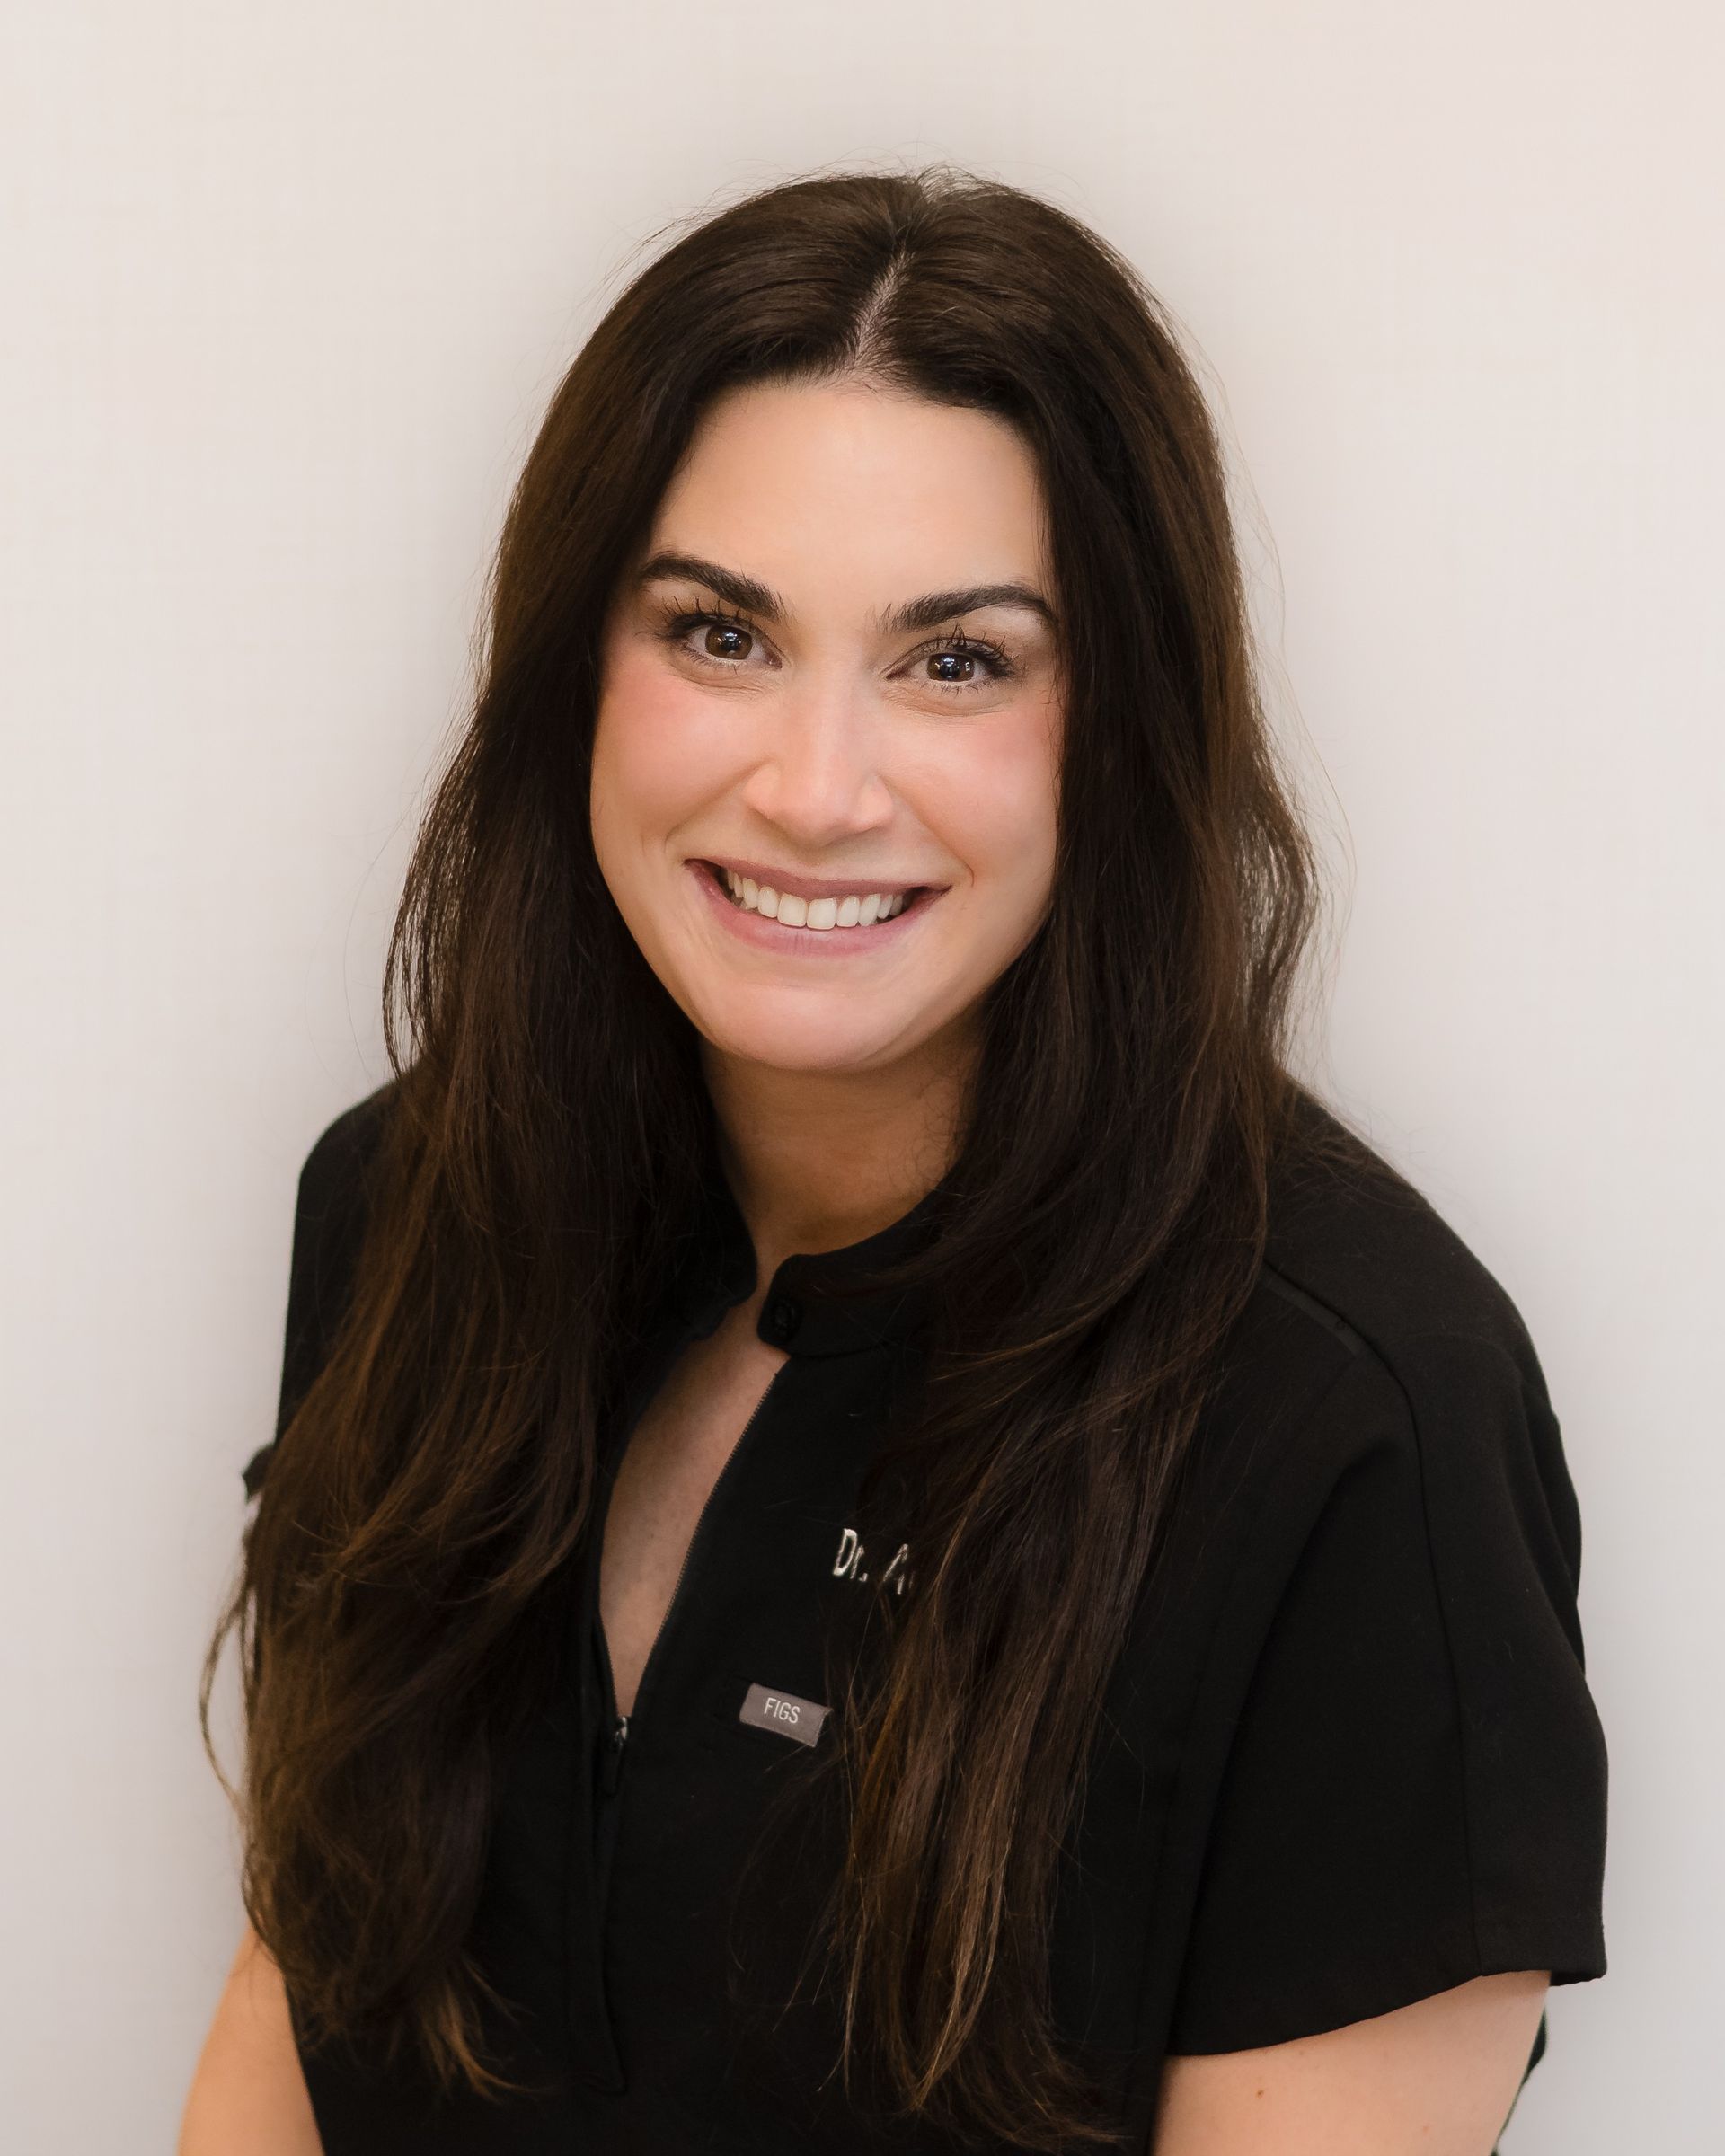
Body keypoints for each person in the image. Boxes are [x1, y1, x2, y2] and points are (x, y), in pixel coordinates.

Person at [178, 166, 1607, 2156]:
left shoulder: (1352, 1421)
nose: (815, 789)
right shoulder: (412, 1204)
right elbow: (302, 1975)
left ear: (1116, 729)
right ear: (573, 669)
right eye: (719, 634)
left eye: (956, 662)